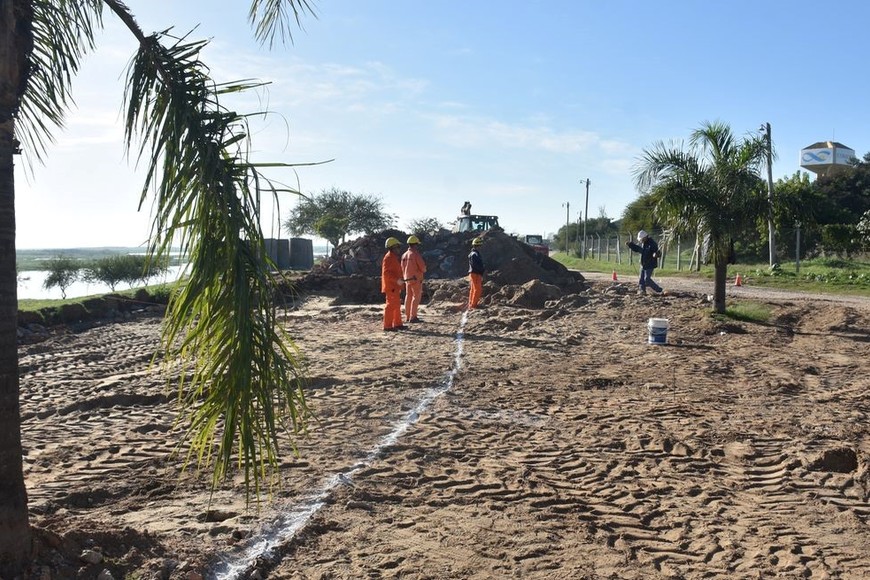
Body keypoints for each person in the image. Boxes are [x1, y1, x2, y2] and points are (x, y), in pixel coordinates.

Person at [626, 230, 664, 295]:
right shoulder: (643, 243)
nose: (641, 240)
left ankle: (659, 290)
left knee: (647, 280)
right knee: (641, 280)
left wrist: (656, 254)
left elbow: (658, 253)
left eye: (642, 239)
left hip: (650, 264)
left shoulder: (652, 244)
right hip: (643, 264)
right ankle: (642, 291)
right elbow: (638, 249)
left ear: (645, 237)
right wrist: (630, 245)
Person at [381, 237, 406, 331]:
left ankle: (397, 324)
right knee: (391, 305)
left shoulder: (393, 257)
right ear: (393, 247)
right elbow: (386, 273)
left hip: (394, 286)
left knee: (396, 305)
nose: (399, 249)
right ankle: (387, 326)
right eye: (398, 247)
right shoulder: (388, 258)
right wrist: (396, 280)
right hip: (391, 286)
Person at [401, 235, 427, 323]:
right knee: (416, 297)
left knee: (408, 296)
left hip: (407, 279)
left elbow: (402, 268)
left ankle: (407, 316)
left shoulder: (404, 255)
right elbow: (423, 268)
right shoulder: (415, 254)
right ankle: (413, 316)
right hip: (416, 279)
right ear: (415, 244)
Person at [467, 237, 485, 309]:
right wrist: (481, 270)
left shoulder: (472, 253)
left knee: (473, 289)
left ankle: (471, 303)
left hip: (473, 273)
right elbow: (476, 265)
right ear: (478, 246)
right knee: (477, 289)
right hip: (476, 273)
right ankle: (474, 305)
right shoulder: (475, 254)